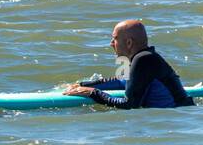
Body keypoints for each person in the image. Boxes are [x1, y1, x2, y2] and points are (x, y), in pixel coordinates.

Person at [64, 20, 195, 109]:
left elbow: (129, 105)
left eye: (115, 39)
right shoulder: (144, 57)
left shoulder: (143, 59)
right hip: (180, 115)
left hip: (175, 117)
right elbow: (122, 81)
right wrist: (83, 85)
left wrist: (94, 93)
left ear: (129, 43)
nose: (111, 43)